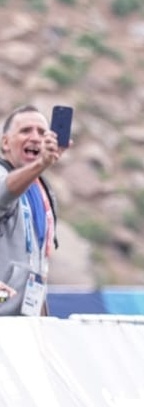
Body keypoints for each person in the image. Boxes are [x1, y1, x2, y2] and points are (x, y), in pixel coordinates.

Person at [0, 105, 65, 318]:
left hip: (26, 317)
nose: (35, 138)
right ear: (5, 142)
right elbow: (4, 193)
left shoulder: (41, 189)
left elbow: (38, 265)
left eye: (42, 132)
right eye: (25, 130)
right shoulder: (4, 175)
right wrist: (41, 164)